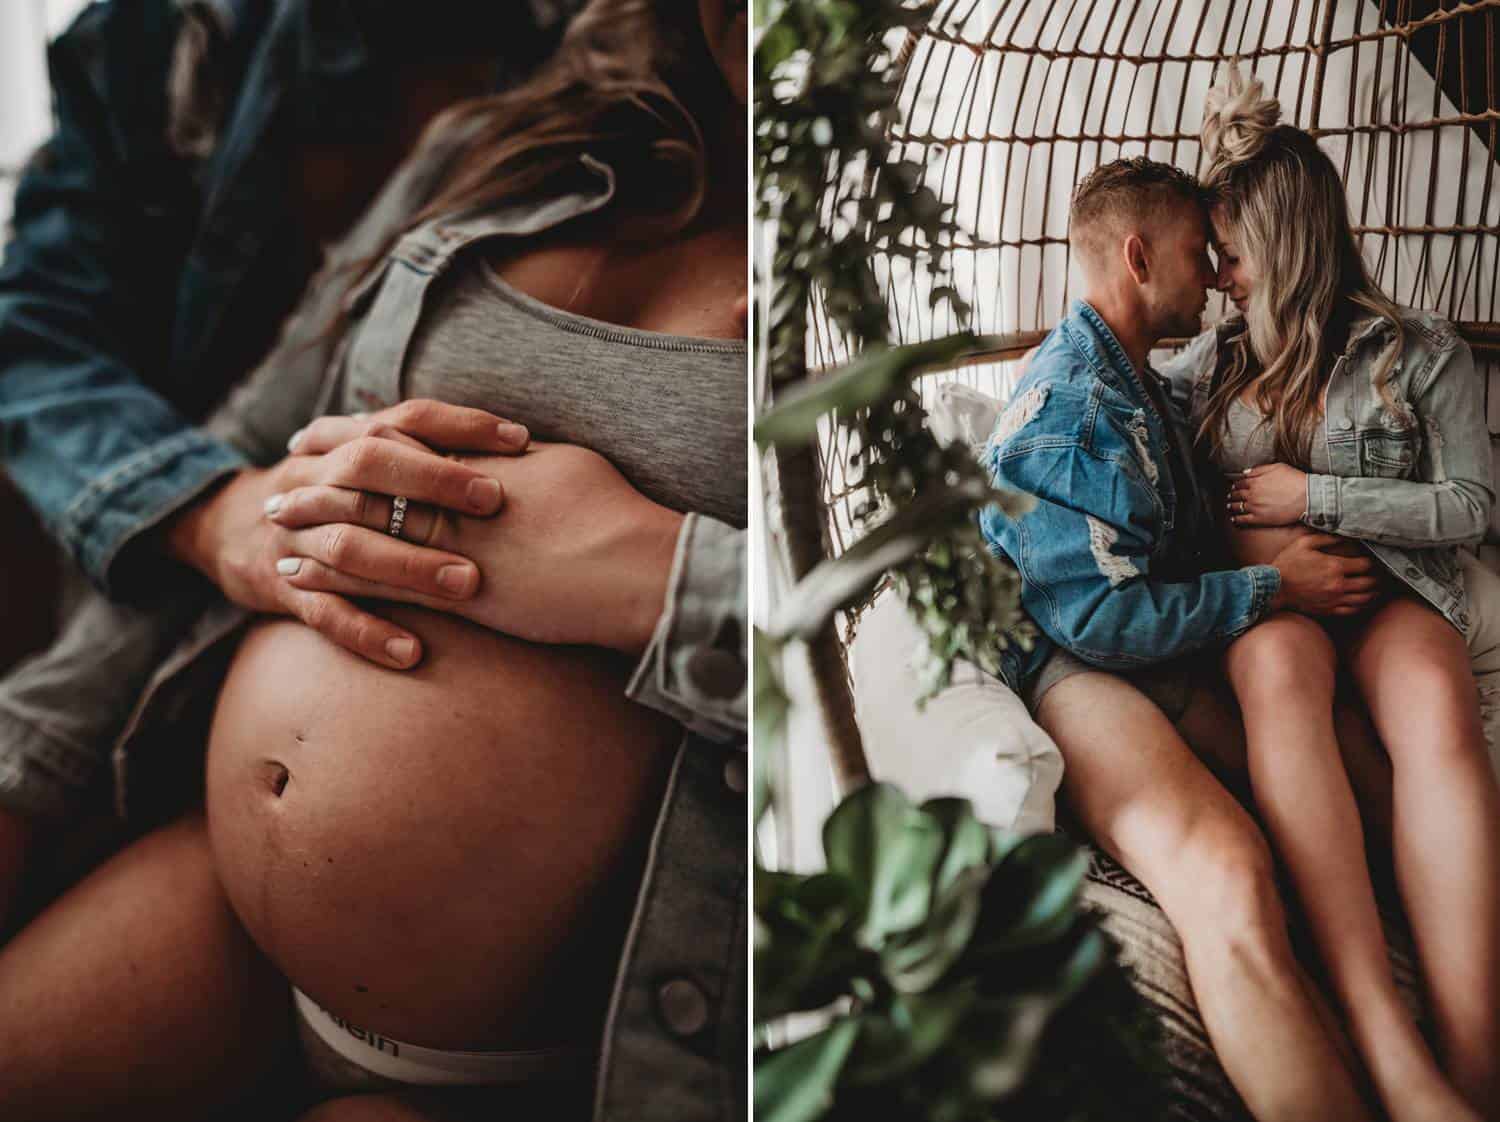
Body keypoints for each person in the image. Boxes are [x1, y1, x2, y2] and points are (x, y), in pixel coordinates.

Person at [0, 2, 747, 1121]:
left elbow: (942, 652)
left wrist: (660, 577)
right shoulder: (515, 141)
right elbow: (256, 476)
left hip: (539, 1041)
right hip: (210, 881)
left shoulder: (899, 316)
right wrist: (17, 774)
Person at [978, 153, 1484, 1122]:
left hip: (1172, 642)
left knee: (1364, 767)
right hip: (1086, 655)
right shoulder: (1083, 409)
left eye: (1228, 255)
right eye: (1199, 254)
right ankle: (1386, 1058)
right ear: (1137, 257)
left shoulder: (1153, 382)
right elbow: (1100, 621)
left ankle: (1440, 1054)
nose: (1215, 274)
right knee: (1237, 871)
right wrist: (1270, 583)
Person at [1163, 63, 1498, 1121]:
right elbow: (1164, 516)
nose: (1218, 278)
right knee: (1275, 674)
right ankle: (1383, 1036)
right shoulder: (1199, 372)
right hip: (1272, 605)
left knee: (1436, 706)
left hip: (1393, 591)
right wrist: (1261, 558)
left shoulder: (1420, 353)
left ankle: (1478, 1071)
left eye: (1230, 252)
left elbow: (1472, 505)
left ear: (1288, 240)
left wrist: (1323, 496)